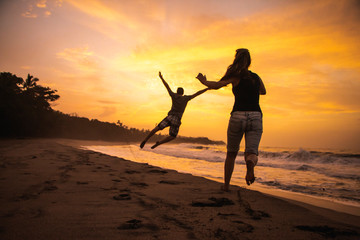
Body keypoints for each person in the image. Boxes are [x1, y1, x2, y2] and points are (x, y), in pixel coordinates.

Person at [196, 48, 266, 190]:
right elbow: (263, 91)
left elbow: (216, 85)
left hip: (238, 116)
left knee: (231, 154)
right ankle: (250, 166)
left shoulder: (235, 76)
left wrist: (204, 81)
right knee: (252, 152)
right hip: (255, 116)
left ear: (236, 59)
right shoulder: (256, 77)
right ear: (249, 61)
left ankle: (226, 186)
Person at [140, 71, 208, 149]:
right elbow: (197, 93)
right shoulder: (186, 98)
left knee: (157, 128)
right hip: (177, 119)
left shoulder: (174, 96)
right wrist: (207, 88)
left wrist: (161, 78)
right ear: (183, 93)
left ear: (177, 92)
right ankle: (159, 143)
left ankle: (145, 139)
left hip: (170, 116)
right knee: (172, 136)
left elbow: (167, 86)